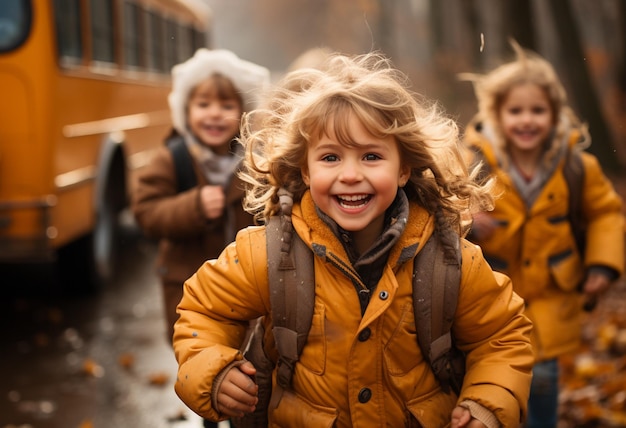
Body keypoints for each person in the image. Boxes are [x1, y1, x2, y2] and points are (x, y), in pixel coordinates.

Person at [173, 52, 534, 428]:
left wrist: (487, 404)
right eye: (330, 157)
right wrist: (213, 371)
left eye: (371, 156)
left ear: (403, 169)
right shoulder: (269, 253)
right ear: (306, 171)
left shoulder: (447, 259)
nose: (350, 174)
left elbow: (502, 336)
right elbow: (203, 312)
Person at [460, 41, 625, 428]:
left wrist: (602, 263)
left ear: (554, 114)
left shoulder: (574, 167)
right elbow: (449, 204)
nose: (527, 120)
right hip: (496, 287)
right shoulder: (475, 164)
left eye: (538, 110)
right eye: (515, 111)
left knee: (543, 377)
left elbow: (605, 213)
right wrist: (468, 221)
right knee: (493, 369)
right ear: (496, 115)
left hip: (552, 289)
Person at [131, 48, 270, 428]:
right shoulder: (173, 158)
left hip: (244, 287)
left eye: (226, 105)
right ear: (186, 110)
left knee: (248, 366)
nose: (214, 114)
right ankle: (212, 415)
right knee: (205, 363)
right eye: (203, 103)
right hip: (187, 286)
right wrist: (192, 206)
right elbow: (145, 211)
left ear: (242, 112)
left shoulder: (255, 160)